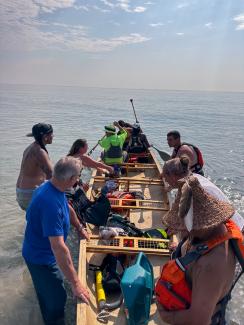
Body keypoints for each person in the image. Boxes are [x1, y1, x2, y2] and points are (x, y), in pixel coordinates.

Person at [156, 156, 244, 325]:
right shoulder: (193, 190)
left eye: (184, 227)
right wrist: (183, 247)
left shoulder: (211, 263)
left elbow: (199, 320)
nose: (182, 229)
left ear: (200, 225)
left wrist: (167, 316)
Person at [22, 157, 90, 325]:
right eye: (78, 177)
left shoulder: (52, 186)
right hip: (40, 258)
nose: (79, 180)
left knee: (48, 293)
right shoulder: (49, 203)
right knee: (57, 300)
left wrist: (79, 227)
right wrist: (76, 283)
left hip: (44, 252)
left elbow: (67, 207)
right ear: (70, 179)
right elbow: (59, 248)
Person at [16, 123, 53, 211]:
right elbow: (51, 175)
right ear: (45, 137)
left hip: (21, 193)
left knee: (35, 220)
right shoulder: (40, 152)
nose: (53, 136)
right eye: (51, 134)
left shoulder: (30, 147)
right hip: (30, 195)